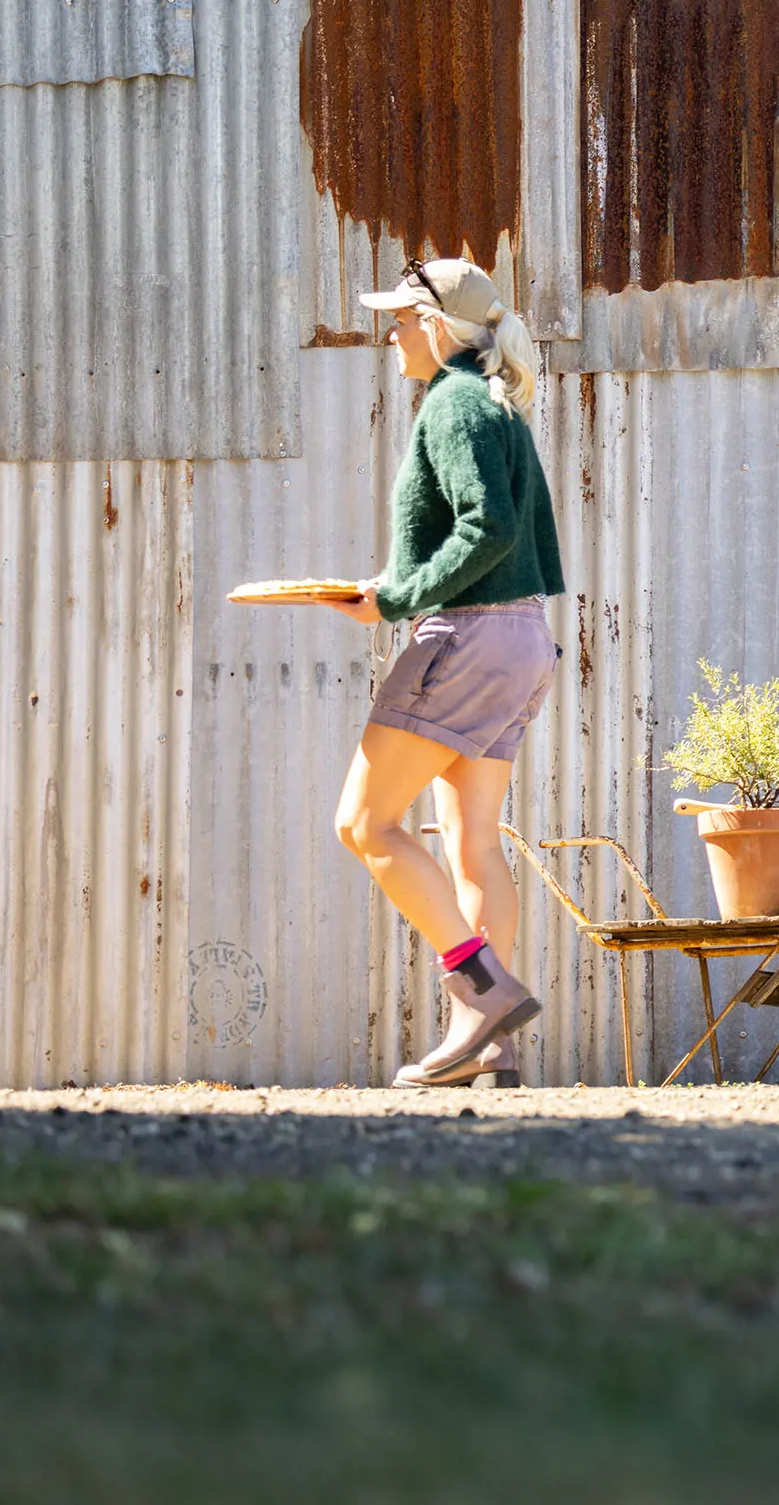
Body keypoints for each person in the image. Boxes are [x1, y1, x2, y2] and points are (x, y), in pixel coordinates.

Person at [328, 257, 567, 1088]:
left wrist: (395, 597)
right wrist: (395, 590)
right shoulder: (495, 403)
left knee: (365, 824)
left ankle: (482, 989)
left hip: (464, 641)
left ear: (436, 327)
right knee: (470, 846)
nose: (389, 332)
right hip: (522, 640)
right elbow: (498, 538)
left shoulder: (454, 404)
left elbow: (489, 528)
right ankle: (486, 1044)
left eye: (399, 318)